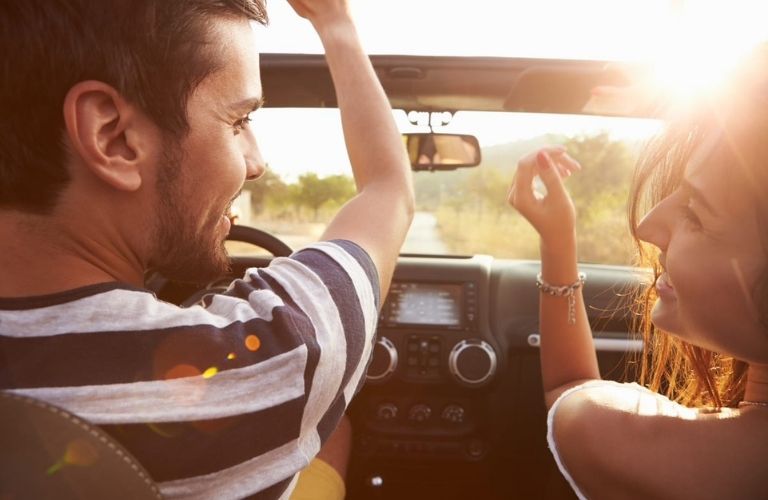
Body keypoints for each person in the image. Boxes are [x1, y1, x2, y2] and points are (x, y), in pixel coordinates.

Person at [0, 0, 414, 499]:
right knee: (336, 430)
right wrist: (336, 23)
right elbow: (388, 192)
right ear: (114, 137)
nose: (256, 162)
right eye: (238, 121)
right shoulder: (262, 363)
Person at [507, 49, 768, 499]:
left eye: (697, 214)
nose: (648, 228)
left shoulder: (662, 455)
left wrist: (557, 240)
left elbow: (572, 392)